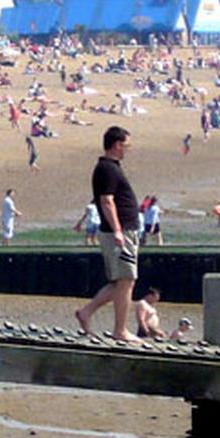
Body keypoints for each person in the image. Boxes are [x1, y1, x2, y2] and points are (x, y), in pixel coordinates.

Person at [75, 126, 143, 344]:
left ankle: (86, 312)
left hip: (124, 230)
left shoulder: (110, 168)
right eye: (127, 146)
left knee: (121, 282)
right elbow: (106, 200)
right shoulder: (107, 169)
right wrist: (117, 231)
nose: (128, 150)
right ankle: (120, 330)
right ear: (117, 145)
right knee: (126, 280)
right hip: (120, 231)